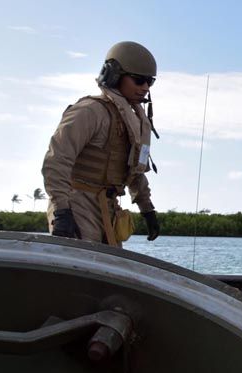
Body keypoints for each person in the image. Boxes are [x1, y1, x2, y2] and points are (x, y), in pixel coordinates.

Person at [42, 41, 160, 247]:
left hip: (108, 208)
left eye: (150, 82)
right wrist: (62, 211)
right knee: (82, 267)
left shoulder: (136, 122)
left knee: (108, 269)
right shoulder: (90, 111)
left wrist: (147, 209)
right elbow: (56, 161)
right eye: (139, 80)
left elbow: (135, 170)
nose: (145, 88)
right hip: (77, 204)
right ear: (114, 75)